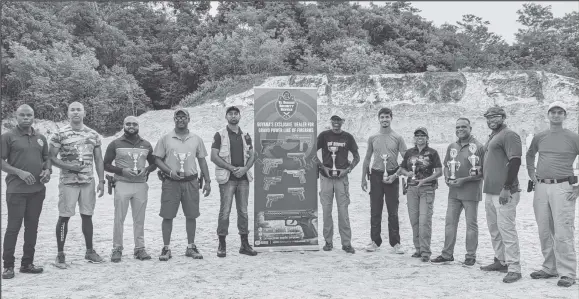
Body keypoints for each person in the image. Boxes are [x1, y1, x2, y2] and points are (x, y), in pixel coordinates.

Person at [526, 101, 578, 288]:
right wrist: (532, 174)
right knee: (544, 230)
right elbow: (530, 155)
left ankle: (568, 273)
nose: (556, 115)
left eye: (560, 112)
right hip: (541, 187)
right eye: (553, 112)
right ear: (548, 115)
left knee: (563, 231)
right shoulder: (540, 136)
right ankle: (549, 267)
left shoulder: (573, 137)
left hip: (563, 187)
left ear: (565, 116)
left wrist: (578, 187)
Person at [49, 102, 106, 268]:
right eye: (72, 110)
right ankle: (60, 255)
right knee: (64, 217)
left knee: (87, 216)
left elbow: (98, 159)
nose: (75, 112)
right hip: (68, 182)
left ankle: (90, 251)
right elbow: (51, 157)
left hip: (88, 181)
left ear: (84, 113)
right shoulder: (60, 134)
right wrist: (69, 167)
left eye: (78, 110)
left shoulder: (93, 134)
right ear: (67, 113)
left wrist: (101, 180)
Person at [154, 108, 211, 261]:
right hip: (171, 182)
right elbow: (157, 159)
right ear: (174, 119)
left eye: (183, 116)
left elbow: (202, 160)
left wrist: (208, 181)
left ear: (188, 119)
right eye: (177, 117)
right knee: (167, 215)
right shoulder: (165, 138)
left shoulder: (196, 139)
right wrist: (169, 171)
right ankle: (166, 248)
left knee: (191, 215)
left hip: (191, 182)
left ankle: (191, 246)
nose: (180, 119)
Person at [1, 105, 51, 279]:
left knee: (32, 227)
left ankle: (27, 263)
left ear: (33, 116)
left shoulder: (41, 138)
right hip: (16, 190)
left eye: (29, 115)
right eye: (22, 115)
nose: (26, 118)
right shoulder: (8, 137)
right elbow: (1, 161)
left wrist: (47, 172)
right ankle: (8, 266)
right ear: (16, 117)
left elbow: (46, 159)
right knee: (13, 228)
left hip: (37, 190)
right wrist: (19, 172)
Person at [103, 116, 157, 262]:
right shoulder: (115, 143)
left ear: (138, 126)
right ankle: (117, 248)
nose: (131, 126)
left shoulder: (146, 144)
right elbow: (105, 164)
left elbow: (154, 163)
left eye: (134, 124)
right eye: (128, 124)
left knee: (139, 219)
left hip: (140, 185)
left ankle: (139, 248)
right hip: (122, 183)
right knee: (119, 218)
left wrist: (146, 170)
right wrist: (121, 171)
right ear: (123, 125)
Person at [431, 118, 484, 266]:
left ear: (470, 128)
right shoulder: (452, 146)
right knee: (449, 224)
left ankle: (470, 256)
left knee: (471, 225)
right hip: (453, 193)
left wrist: (464, 180)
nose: (460, 129)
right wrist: (448, 177)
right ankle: (447, 254)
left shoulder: (479, 147)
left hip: (471, 192)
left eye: (463, 127)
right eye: (458, 127)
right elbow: (447, 165)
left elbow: (483, 172)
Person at [480, 106, 523, 283]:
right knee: (494, 229)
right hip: (490, 191)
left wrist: (507, 186)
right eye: (489, 117)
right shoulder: (493, 136)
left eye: (496, 116)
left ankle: (514, 268)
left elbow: (515, 161)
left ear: (504, 117)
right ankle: (501, 260)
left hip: (504, 191)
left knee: (507, 229)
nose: (492, 119)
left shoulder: (509, 135)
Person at [210, 106, 257, 258]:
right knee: (225, 211)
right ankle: (222, 244)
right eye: (230, 114)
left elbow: (252, 155)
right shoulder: (219, 135)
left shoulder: (246, 136)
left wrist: (245, 169)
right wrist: (231, 168)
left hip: (243, 179)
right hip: (227, 179)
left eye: (236, 114)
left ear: (240, 116)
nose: (233, 116)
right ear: (226, 117)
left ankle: (244, 244)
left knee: (243, 211)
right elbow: (214, 156)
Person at [361, 107, 407, 254]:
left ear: (391, 118)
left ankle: (396, 243)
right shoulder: (373, 137)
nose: (385, 120)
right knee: (375, 209)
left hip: (392, 175)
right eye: (382, 117)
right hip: (376, 175)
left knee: (393, 210)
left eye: (387, 117)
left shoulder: (398, 137)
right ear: (378, 119)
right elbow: (367, 158)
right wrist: (363, 177)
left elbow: (406, 158)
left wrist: (398, 173)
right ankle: (375, 241)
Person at [316, 112, 360, 254]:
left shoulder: (348, 137)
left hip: (341, 178)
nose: (336, 122)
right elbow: (311, 153)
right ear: (331, 121)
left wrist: (347, 170)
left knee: (343, 212)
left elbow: (357, 157)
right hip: (326, 178)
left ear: (343, 121)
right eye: (334, 120)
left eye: (339, 120)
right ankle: (328, 242)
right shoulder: (324, 135)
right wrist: (323, 167)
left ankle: (346, 243)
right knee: (327, 211)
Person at [398, 127, 442, 262]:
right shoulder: (409, 153)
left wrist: (425, 180)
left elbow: (439, 172)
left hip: (427, 189)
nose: (420, 137)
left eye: (423, 135)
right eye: (417, 135)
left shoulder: (433, 153)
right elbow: (401, 169)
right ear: (414, 138)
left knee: (424, 221)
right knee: (414, 221)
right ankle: (418, 249)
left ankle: (425, 252)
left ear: (427, 138)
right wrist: (407, 173)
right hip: (411, 189)